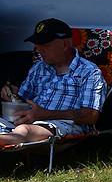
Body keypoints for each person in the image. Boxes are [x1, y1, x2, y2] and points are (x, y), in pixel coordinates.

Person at [0, 18, 105, 147]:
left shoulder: (89, 72)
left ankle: (11, 138)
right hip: (29, 120)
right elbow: (23, 98)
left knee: (24, 130)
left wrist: (44, 114)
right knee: (20, 128)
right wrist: (13, 94)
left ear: (65, 45)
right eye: (37, 45)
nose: (38, 50)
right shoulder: (39, 67)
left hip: (62, 124)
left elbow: (91, 116)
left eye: (44, 45)